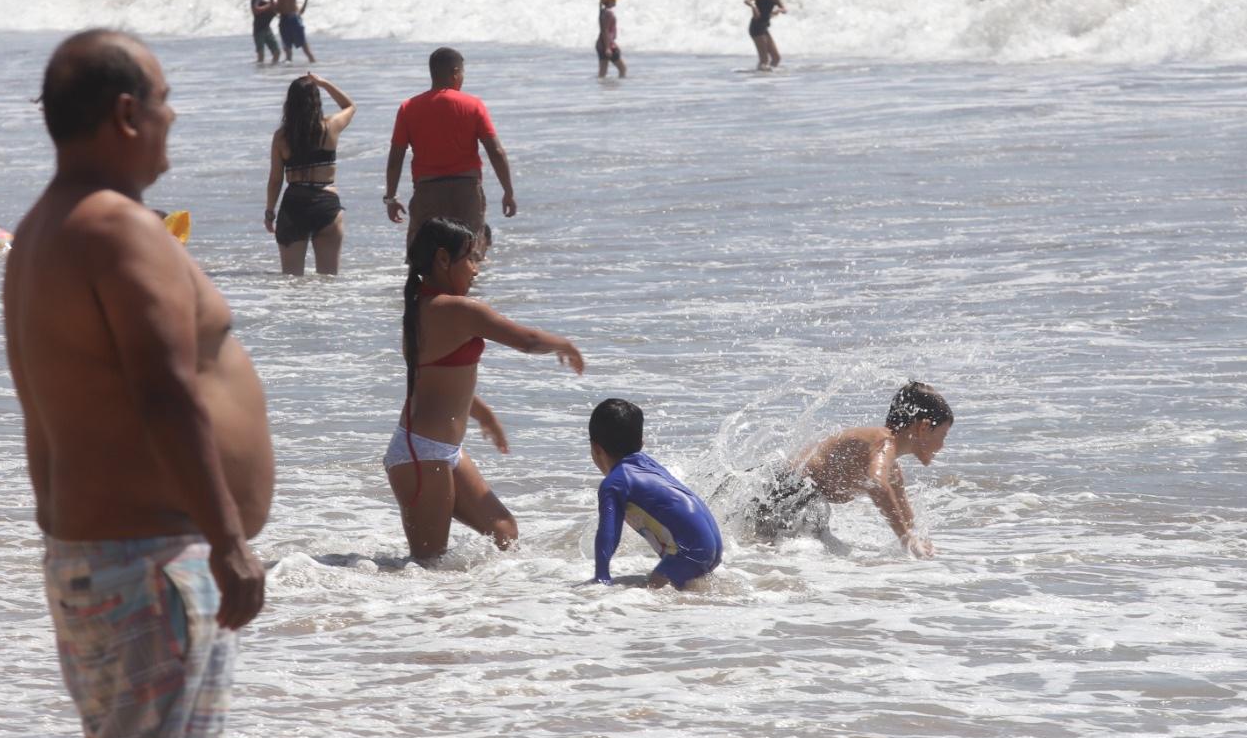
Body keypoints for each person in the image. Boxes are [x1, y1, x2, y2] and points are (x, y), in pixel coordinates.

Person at [4, 29, 273, 738]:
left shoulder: (48, 227)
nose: (174, 113)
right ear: (126, 113)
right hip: (150, 564)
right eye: (163, 98)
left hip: (104, 559)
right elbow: (165, 392)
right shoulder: (117, 228)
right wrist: (229, 543)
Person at [383, 217, 583, 560]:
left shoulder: (422, 309)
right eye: (472, 258)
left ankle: (483, 607)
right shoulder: (457, 309)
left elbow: (435, 385)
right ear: (443, 260)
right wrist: (565, 343)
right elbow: (527, 340)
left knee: (504, 531)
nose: (477, 270)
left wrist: (483, 414)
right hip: (422, 454)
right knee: (427, 568)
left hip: (439, 451)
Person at [720, 382, 952, 557]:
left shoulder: (891, 467)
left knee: (757, 550)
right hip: (787, 490)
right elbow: (876, 484)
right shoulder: (883, 443)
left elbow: (905, 513)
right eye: (943, 435)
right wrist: (906, 539)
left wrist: (919, 541)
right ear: (923, 427)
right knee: (757, 550)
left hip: (796, 497)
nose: (942, 446)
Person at [384, 47, 516, 248]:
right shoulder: (473, 105)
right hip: (466, 191)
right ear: (455, 72)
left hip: (427, 192)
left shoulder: (408, 107)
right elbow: (496, 152)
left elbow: (395, 159)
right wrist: (508, 192)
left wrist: (391, 198)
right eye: (462, 73)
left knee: (424, 256)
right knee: (468, 255)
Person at [589, 398, 722, 590]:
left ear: (596, 448)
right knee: (681, 593)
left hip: (689, 549)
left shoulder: (614, 483)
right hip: (711, 543)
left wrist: (601, 578)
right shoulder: (648, 465)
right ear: (641, 443)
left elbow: (608, 534)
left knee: (651, 598)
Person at [264, 74, 356, 275]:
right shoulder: (330, 126)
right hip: (326, 205)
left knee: (292, 282)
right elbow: (349, 106)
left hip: (293, 206)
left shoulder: (282, 136)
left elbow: (275, 179)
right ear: (316, 100)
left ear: (290, 103)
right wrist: (324, 83)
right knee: (328, 282)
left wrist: (270, 212)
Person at [269, 0, 315, 64]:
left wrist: (274, 8)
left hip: (284, 17)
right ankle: (315, 68)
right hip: (295, 15)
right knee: (306, 49)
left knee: (288, 52)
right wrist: (303, 7)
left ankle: (288, 73)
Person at [744, 0, 785, 71]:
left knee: (776, 58)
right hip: (756, 27)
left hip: (764, 27)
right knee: (764, 59)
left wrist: (778, 10)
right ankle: (760, 81)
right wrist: (754, 7)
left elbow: (784, 9)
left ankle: (766, 79)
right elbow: (747, 0)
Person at [249, 0, 280, 66]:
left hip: (267, 28)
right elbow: (255, 10)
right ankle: (260, 73)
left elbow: (275, 10)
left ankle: (272, 70)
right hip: (258, 29)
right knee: (261, 55)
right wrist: (269, 5)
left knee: (276, 52)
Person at [596, 0, 626, 79]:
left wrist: (611, 44)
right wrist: (608, 47)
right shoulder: (608, 13)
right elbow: (605, 31)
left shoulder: (603, 12)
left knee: (602, 72)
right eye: (613, 0)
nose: (615, 1)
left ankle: (601, 90)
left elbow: (604, 31)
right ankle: (621, 89)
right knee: (622, 69)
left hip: (601, 44)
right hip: (606, 45)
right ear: (608, 1)